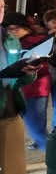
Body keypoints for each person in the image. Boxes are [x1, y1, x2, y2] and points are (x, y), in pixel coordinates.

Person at [0, 0, 39, 174]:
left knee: (14, 165)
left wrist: (28, 72)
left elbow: (20, 76)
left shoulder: (10, 39)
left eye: (1, 6)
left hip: (10, 106)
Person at [3, 12, 50, 150]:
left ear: (25, 28)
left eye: (14, 28)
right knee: (35, 130)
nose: (12, 32)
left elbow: (46, 66)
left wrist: (27, 68)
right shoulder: (13, 42)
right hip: (23, 91)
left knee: (37, 131)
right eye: (9, 29)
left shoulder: (36, 41)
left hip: (34, 91)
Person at [43, 9, 56, 129]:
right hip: (44, 76)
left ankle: (55, 131)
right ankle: (39, 135)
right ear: (47, 23)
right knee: (41, 107)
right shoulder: (42, 37)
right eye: (54, 22)